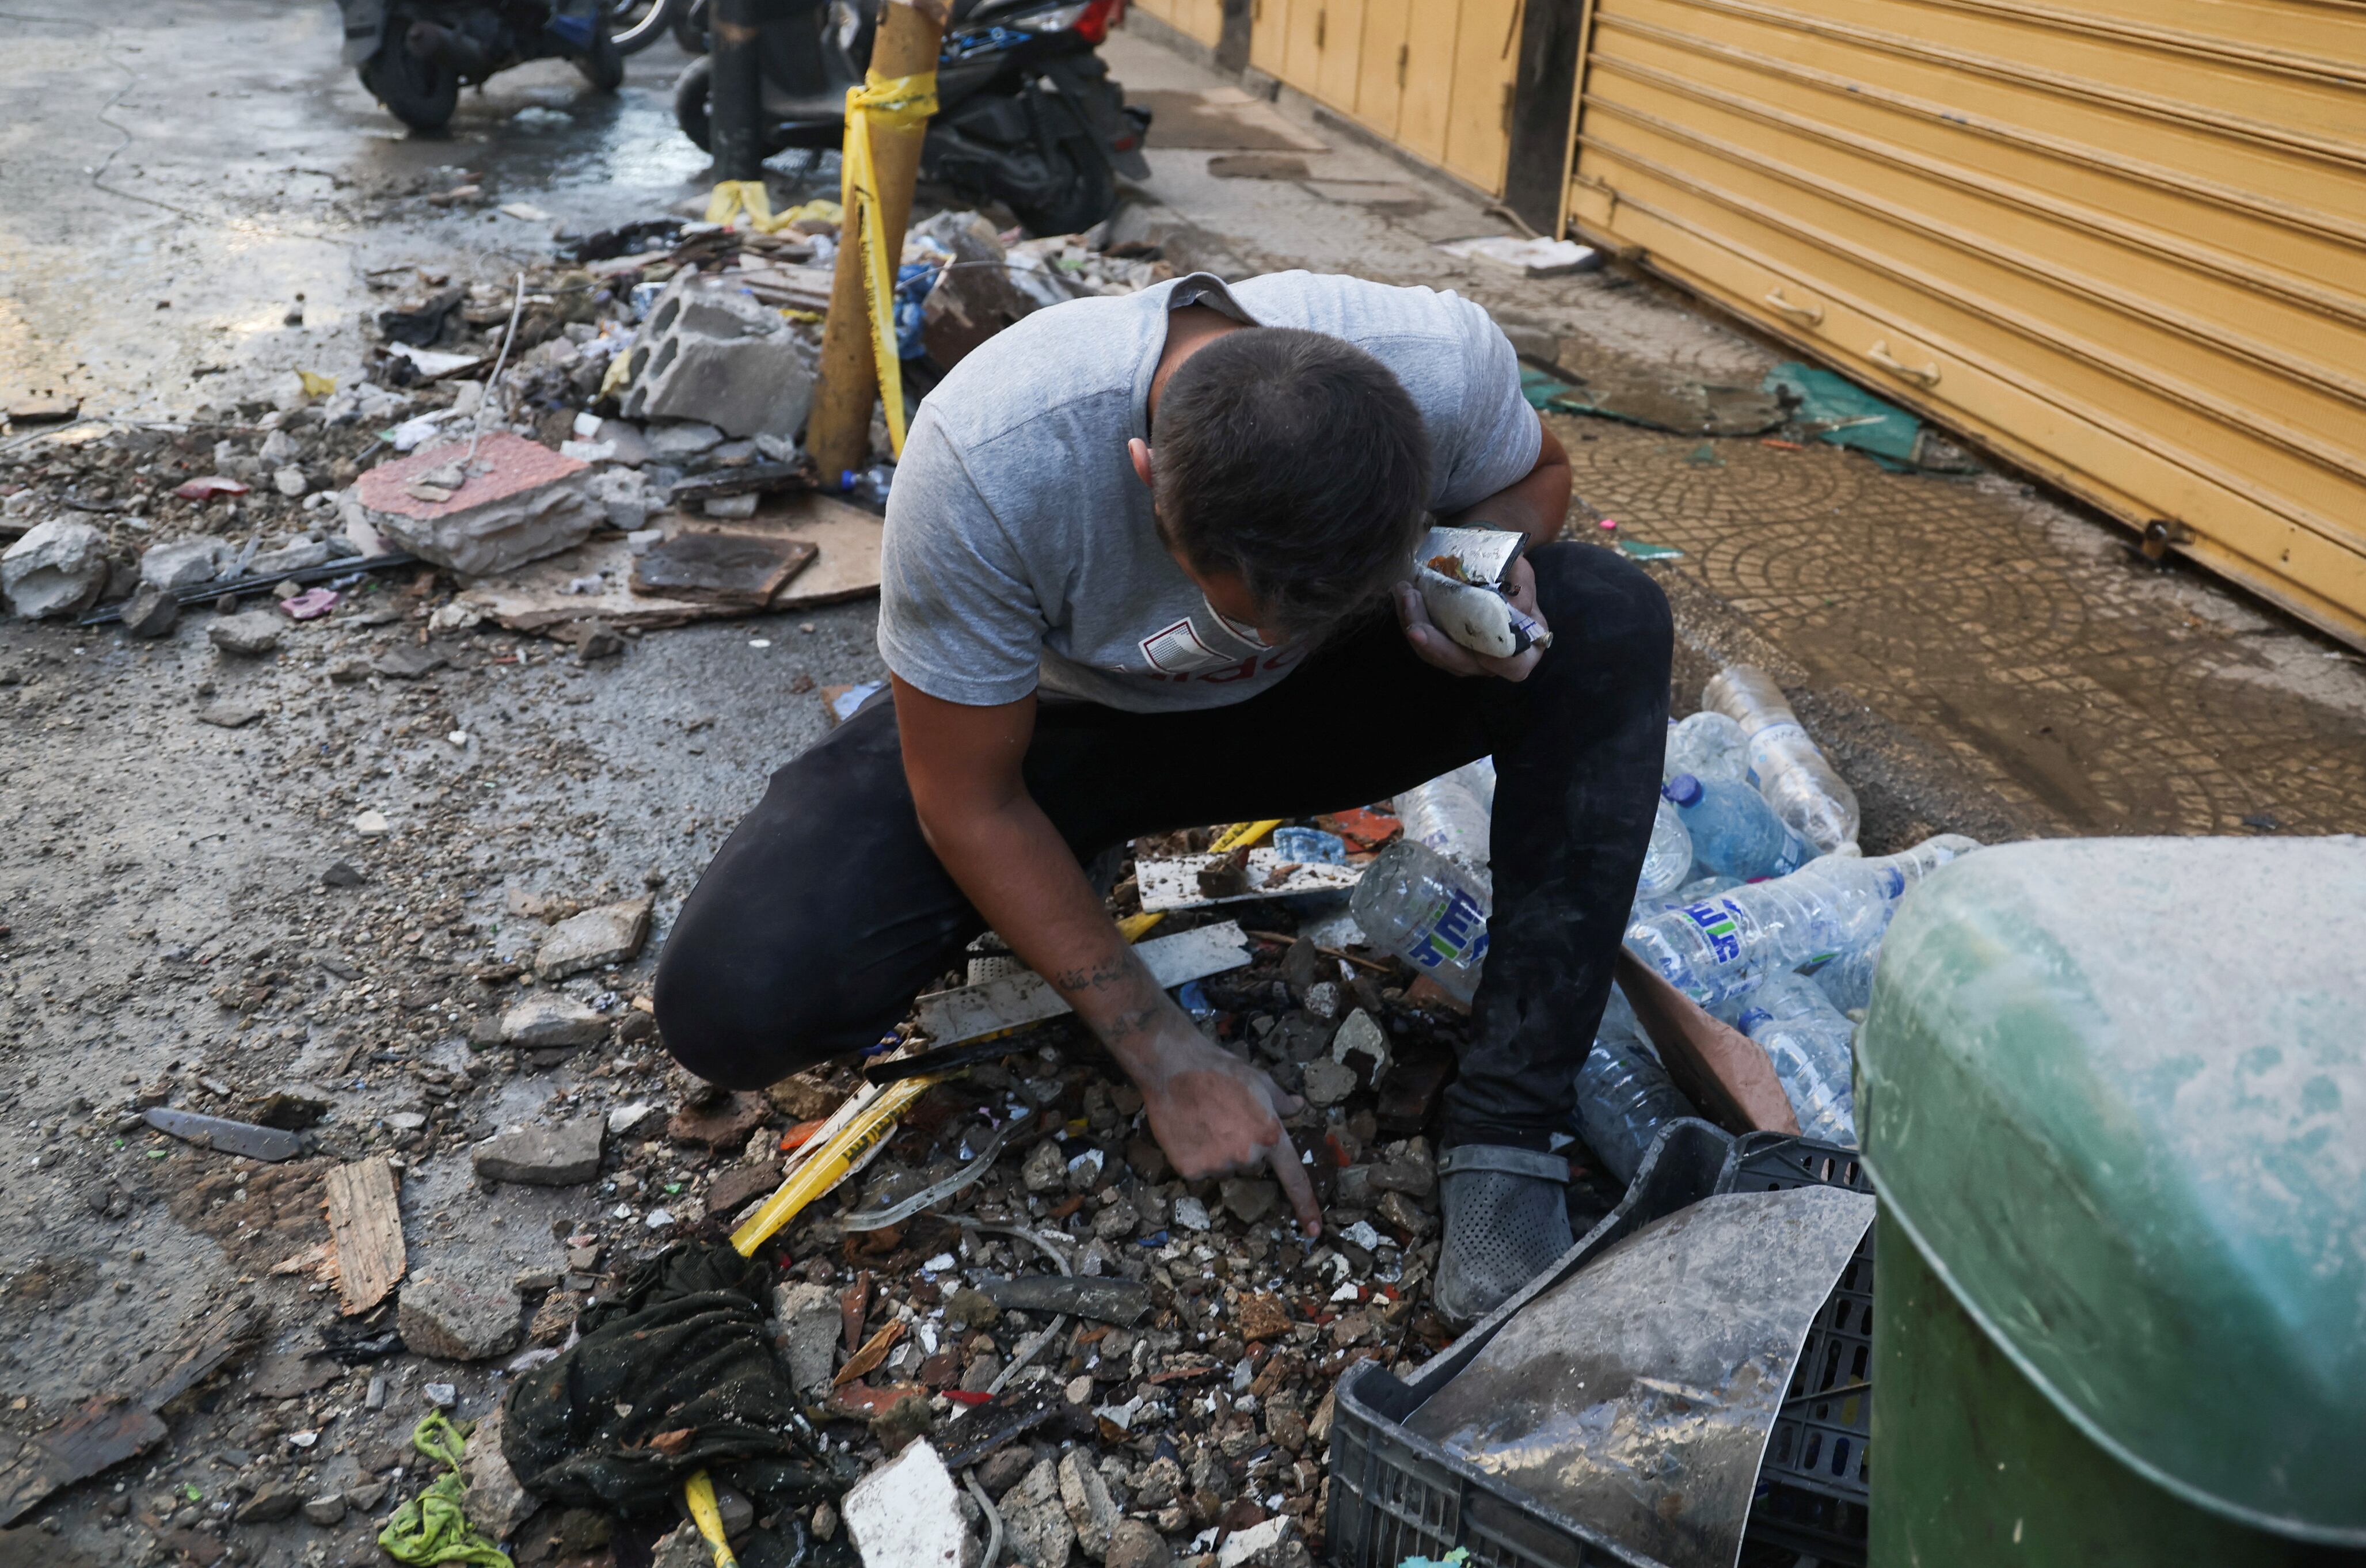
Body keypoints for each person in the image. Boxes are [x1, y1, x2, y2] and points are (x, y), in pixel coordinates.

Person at [655, 273, 1672, 1325]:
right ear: (1144, 476)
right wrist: (1162, 1048)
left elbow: (1539, 475)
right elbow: (967, 799)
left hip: (1336, 704)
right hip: (1055, 734)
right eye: (1240, 608)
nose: (1265, 641)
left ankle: (1509, 1125)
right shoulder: (991, 461)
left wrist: (1477, 566)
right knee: (731, 1000)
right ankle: (1063, 867)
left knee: (1610, 618)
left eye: (1306, 609)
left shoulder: (1441, 364)